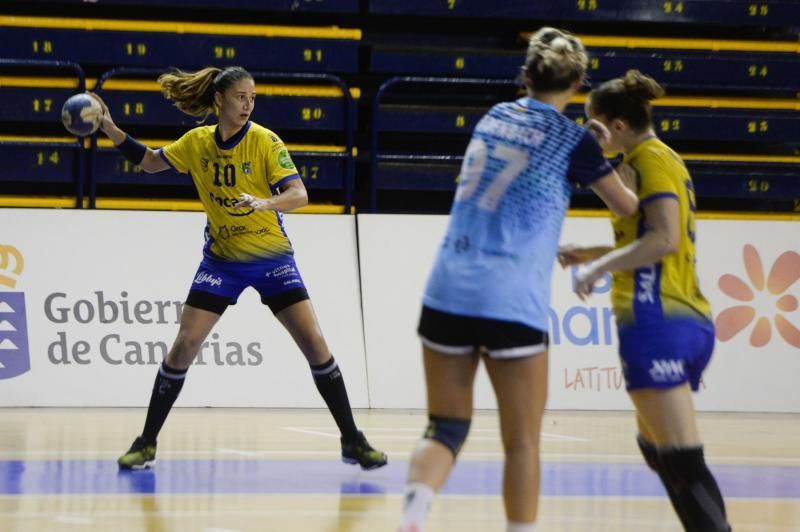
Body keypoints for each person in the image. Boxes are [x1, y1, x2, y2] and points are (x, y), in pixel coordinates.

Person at [87, 66, 387, 471]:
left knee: (315, 343)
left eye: (252, 97)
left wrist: (266, 203)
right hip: (223, 260)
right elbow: (152, 163)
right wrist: (110, 128)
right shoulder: (197, 143)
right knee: (184, 345)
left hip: (271, 258)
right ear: (219, 100)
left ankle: (352, 440)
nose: (247, 104)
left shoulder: (266, 141)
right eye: (240, 97)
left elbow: (299, 194)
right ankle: (146, 442)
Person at [397, 28, 639, 532]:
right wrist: (613, 155)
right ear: (577, 83)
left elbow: (526, 150)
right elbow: (631, 211)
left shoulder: (492, 117)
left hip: (447, 288)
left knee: (445, 427)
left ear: (526, 75)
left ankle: (414, 515)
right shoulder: (575, 141)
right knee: (523, 441)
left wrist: (583, 149)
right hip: (511, 299)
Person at [558, 70, 730, 531]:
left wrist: (597, 268)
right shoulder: (659, 157)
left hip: (658, 318)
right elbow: (648, 236)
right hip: (682, 317)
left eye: (594, 125)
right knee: (657, 449)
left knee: (680, 460)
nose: (591, 135)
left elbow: (666, 239)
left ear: (616, 125)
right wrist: (590, 252)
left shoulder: (649, 159)